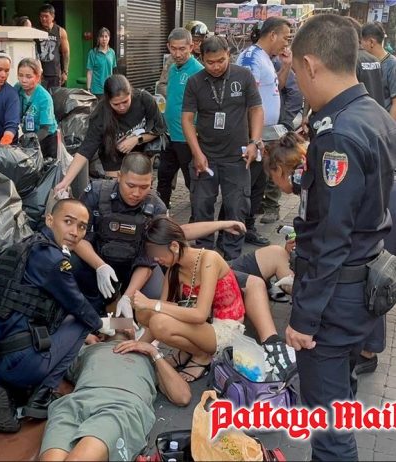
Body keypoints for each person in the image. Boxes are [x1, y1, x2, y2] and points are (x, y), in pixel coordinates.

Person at [286, 14, 395, 460]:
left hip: (336, 296)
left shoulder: (339, 136)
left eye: (295, 72)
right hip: (364, 284)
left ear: (311, 65)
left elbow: (332, 238)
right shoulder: (373, 115)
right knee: (341, 402)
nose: (297, 82)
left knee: (329, 431)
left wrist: (303, 318)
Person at [0, 199, 111, 431]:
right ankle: (41, 396)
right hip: (17, 362)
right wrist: (109, 324)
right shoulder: (54, 261)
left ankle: (10, 390)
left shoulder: (29, 245)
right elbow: (79, 307)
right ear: (50, 220)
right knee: (82, 323)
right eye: (68, 222)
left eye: (81, 227)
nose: (75, 232)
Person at [133, 216, 294, 383]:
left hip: (225, 328)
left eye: (156, 252)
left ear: (174, 246)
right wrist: (136, 348)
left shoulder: (209, 259)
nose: (155, 259)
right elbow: (160, 309)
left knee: (159, 320)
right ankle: (188, 351)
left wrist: (153, 304)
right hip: (202, 325)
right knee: (144, 312)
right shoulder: (174, 269)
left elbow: (200, 315)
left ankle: (201, 356)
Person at [39, 330, 191, 461]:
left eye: (126, 319)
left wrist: (153, 352)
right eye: (116, 320)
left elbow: (183, 396)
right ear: (102, 333)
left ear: (134, 332)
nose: (121, 322)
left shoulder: (148, 356)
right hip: (74, 403)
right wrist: (81, 336)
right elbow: (47, 362)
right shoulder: (87, 350)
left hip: (120, 405)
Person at [182, 35, 263, 259]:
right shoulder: (195, 82)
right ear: (202, 58)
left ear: (228, 54)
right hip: (205, 158)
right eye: (210, 62)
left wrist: (254, 142)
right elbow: (187, 119)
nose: (216, 66)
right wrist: (197, 153)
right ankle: (204, 255)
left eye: (221, 60)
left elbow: (256, 109)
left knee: (237, 207)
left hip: (237, 158)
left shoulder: (243, 76)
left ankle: (232, 257)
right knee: (202, 207)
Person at [71, 153, 167, 318]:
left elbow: (148, 260)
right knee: (70, 266)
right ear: (119, 177)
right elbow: (77, 238)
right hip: (97, 260)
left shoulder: (157, 208)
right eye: (131, 185)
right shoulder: (95, 193)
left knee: (154, 294)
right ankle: (94, 316)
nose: (136, 193)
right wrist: (100, 266)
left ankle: (125, 323)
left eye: (144, 187)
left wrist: (127, 297)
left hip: (134, 266)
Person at [54, 75, 166, 192]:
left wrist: (137, 139)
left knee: (140, 190)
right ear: (108, 101)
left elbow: (159, 129)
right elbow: (85, 151)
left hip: (142, 152)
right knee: (117, 192)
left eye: (125, 101)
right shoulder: (100, 115)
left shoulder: (144, 99)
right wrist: (65, 182)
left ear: (130, 93)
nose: (122, 107)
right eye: (116, 104)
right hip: (113, 156)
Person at [237, 18, 293, 235]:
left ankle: (248, 226)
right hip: (254, 133)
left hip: (266, 133)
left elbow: (276, 86)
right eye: (285, 38)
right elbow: (245, 98)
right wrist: (254, 137)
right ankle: (237, 228)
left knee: (259, 183)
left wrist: (286, 65)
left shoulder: (267, 59)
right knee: (247, 184)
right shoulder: (251, 58)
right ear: (272, 35)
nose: (286, 43)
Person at [157, 27, 203, 213]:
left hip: (187, 138)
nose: (177, 54)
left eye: (182, 49)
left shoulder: (198, 71)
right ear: (168, 47)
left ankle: (197, 218)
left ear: (191, 47)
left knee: (193, 181)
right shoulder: (172, 68)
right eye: (174, 48)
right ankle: (160, 215)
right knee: (163, 178)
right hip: (169, 135)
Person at [15, 58, 58, 159]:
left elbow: (45, 129)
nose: (23, 80)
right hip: (29, 135)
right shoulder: (17, 88)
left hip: (46, 139)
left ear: (38, 77)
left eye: (28, 76)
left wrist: (29, 143)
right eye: (20, 75)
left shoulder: (44, 98)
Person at [156, 21, 208, 97]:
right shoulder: (174, 60)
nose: (199, 44)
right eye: (196, 40)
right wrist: (176, 97)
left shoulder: (206, 58)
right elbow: (162, 85)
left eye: (202, 40)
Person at [361, 22, 396, 119]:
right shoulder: (364, 62)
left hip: (382, 121)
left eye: (361, 42)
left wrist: (389, 126)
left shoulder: (392, 65)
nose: (361, 46)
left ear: (371, 42)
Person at [37, 3, 70, 91]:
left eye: (46, 16)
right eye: (41, 16)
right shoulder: (36, 31)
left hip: (55, 73)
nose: (43, 19)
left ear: (52, 17)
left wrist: (65, 72)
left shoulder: (60, 31)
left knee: (55, 96)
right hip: (40, 73)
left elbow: (65, 52)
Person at [86, 27, 117, 99]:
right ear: (98, 38)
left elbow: (113, 71)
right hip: (96, 90)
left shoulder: (112, 52)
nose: (104, 39)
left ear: (109, 38)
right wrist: (88, 89)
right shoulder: (92, 53)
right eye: (102, 36)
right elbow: (89, 72)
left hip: (108, 88)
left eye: (106, 36)